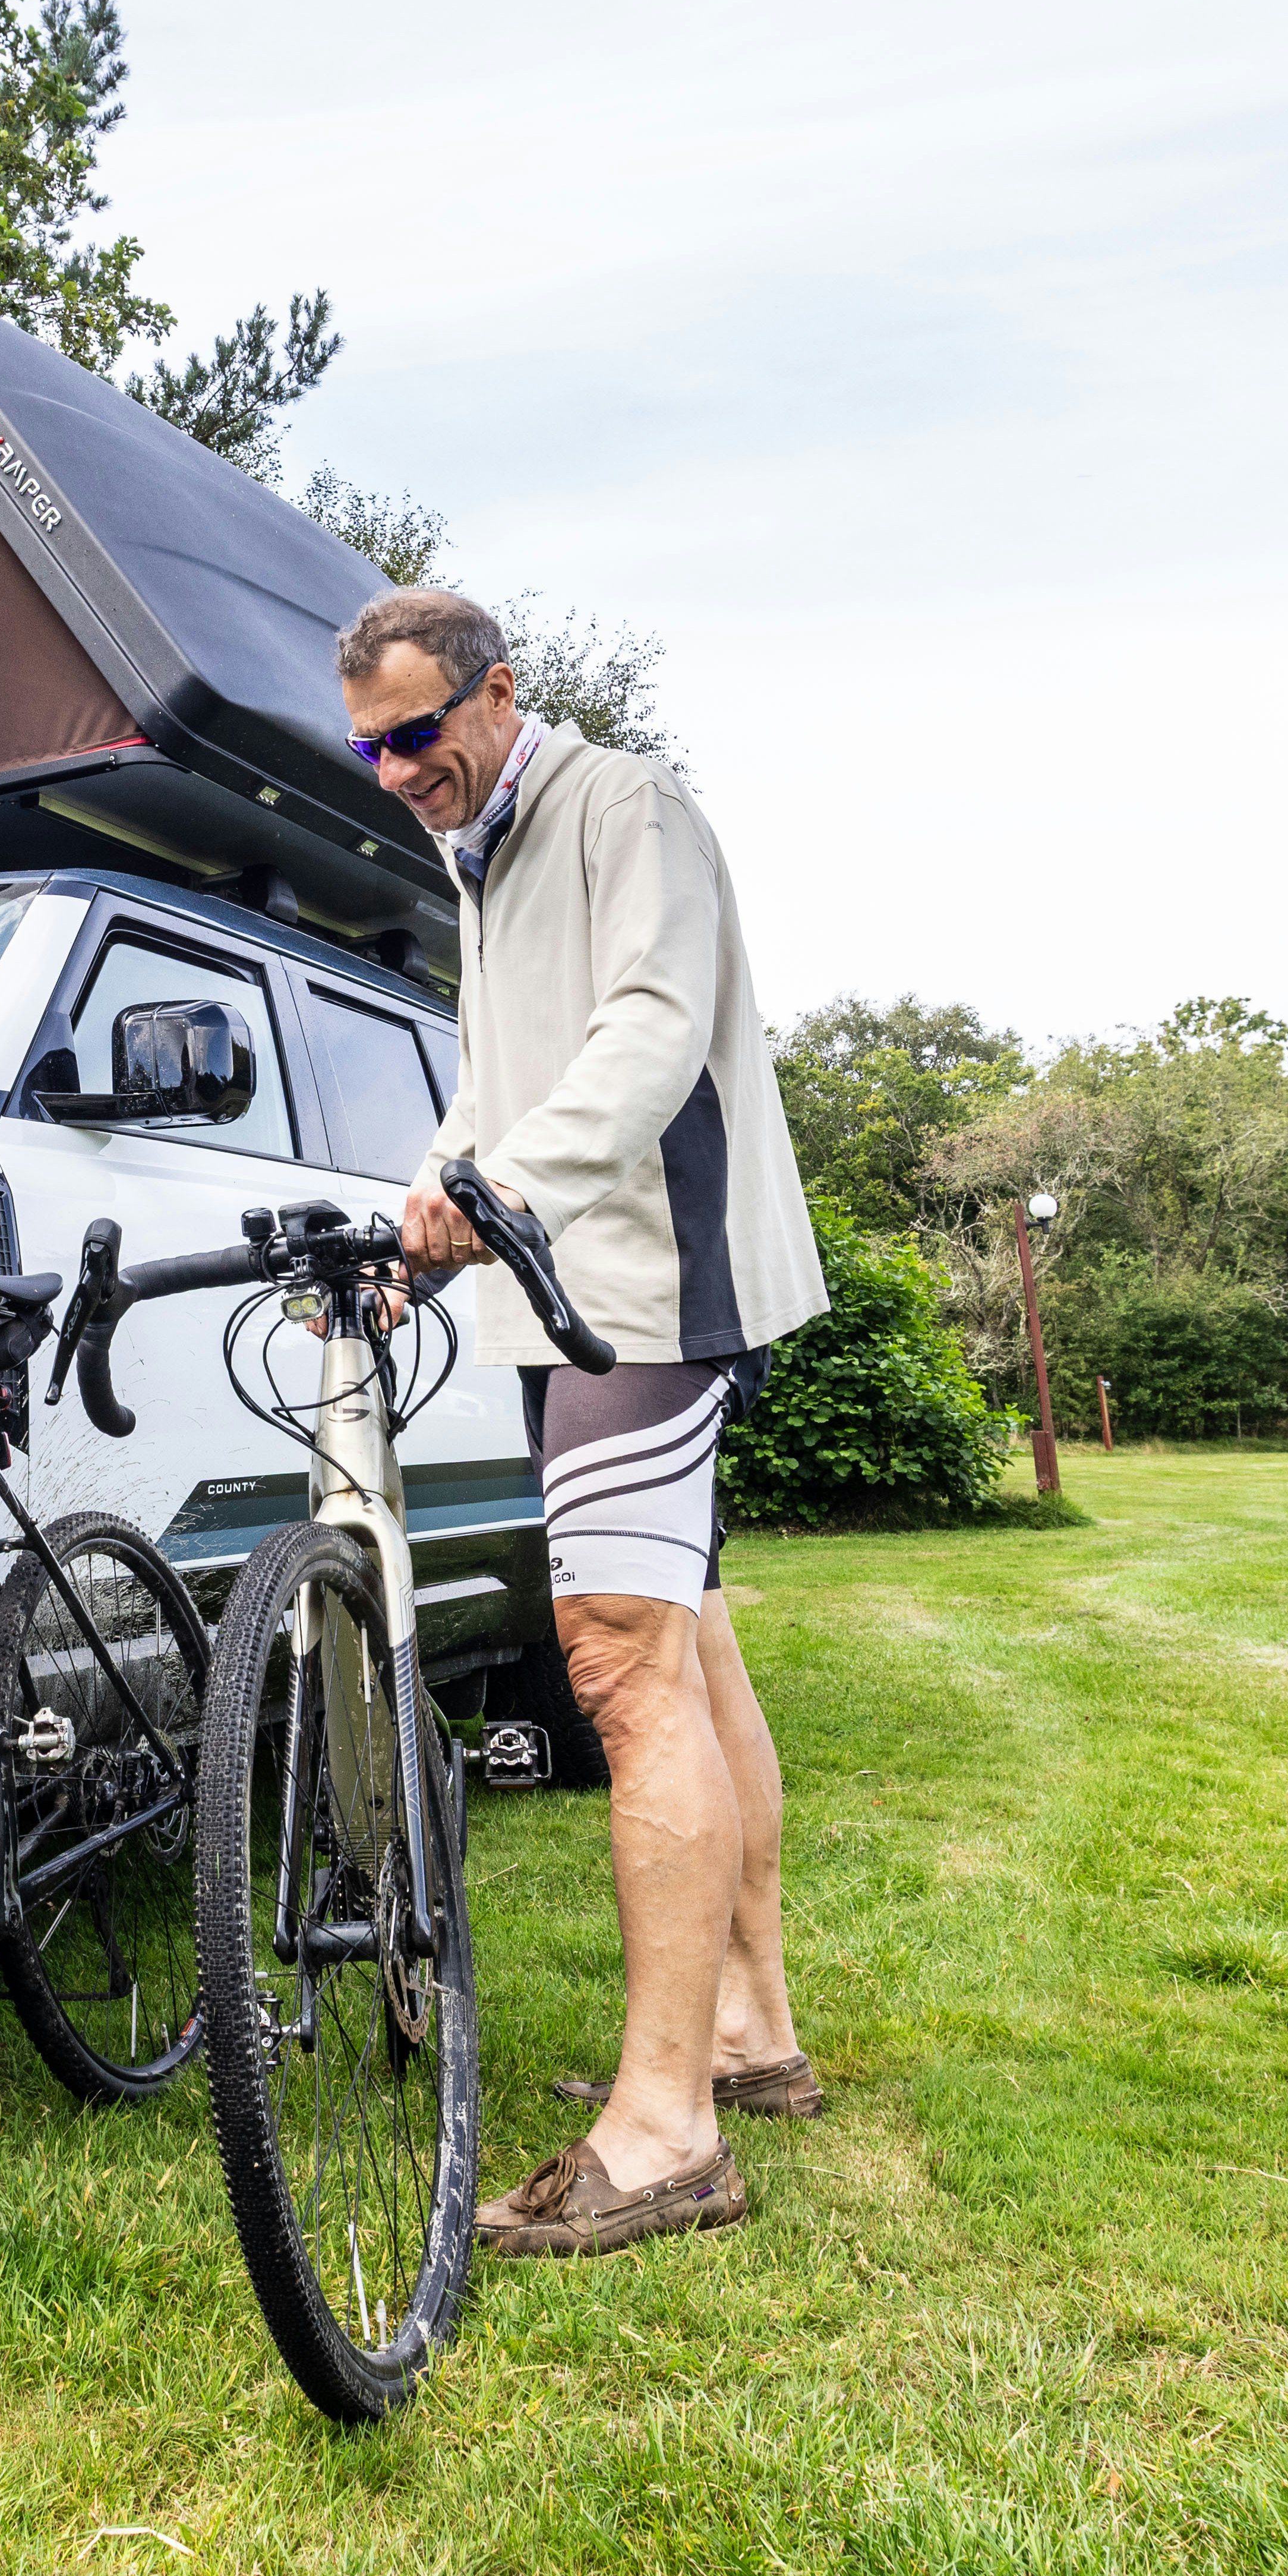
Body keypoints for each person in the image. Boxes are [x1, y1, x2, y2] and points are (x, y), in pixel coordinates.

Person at [340, 585, 831, 2259]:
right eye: (369, 746)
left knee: (619, 1660)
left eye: (418, 732)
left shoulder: (628, 808)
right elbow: (499, 1083)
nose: (395, 770)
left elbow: (650, 1034)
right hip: (570, 1285)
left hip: (652, 1280)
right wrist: (418, 1211)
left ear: (500, 692)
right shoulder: (480, 860)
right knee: (692, 1637)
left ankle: (668, 2130)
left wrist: (503, 1190)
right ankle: (749, 2032)